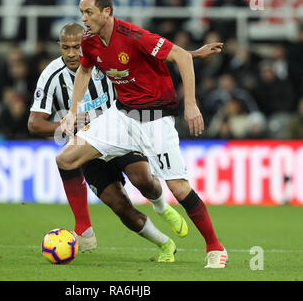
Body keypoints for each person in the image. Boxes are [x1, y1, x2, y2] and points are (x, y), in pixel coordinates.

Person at [57, 0, 227, 268]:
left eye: (89, 12)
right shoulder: (89, 42)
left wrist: (191, 104)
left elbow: (179, 57)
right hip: (121, 116)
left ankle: (215, 247)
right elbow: (85, 70)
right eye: (81, 12)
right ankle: (83, 230)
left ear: (106, 11)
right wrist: (73, 112)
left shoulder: (133, 36)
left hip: (155, 120)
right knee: (66, 158)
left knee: (178, 187)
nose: (84, 18)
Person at [29, 23, 186, 261]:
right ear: (58, 46)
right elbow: (34, 123)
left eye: (76, 47)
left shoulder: (104, 60)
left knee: (144, 180)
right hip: (89, 148)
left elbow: (148, 65)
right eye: (65, 47)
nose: (72, 53)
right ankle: (164, 244)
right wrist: (63, 127)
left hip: (120, 133)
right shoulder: (51, 75)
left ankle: (161, 206)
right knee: (121, 206)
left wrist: (189, 55)